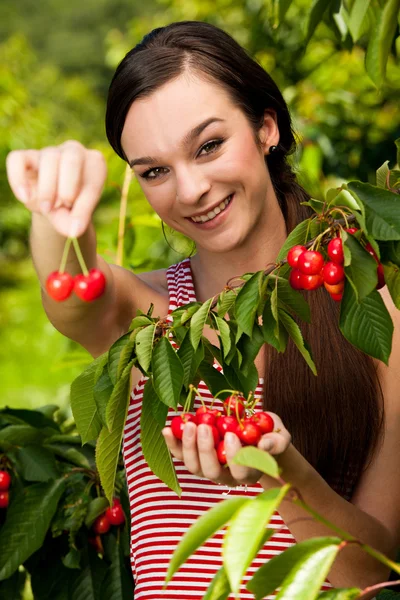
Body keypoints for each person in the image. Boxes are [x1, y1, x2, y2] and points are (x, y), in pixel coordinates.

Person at [6, 20, 400, 600]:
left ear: (266, 127)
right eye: (155, 171)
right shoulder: (140, 317)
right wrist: (55, 209)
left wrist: (282, 474)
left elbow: (379, 571)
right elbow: (71, 286)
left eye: (209, 145)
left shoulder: (364, 307)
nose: (189, 189)